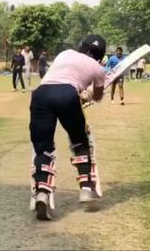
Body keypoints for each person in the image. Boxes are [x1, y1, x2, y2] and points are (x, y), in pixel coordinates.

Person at [29, 35, 106, 220]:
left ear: (81, 46)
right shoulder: (98, 69)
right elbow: (96, 97)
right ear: (101, 55)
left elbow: (62, 77)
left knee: (43, 147)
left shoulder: (65, 54)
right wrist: (86, 96)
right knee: (80, 141)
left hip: (41, 95)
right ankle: (86, 189)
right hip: (68, 95)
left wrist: (80, 93)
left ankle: (42, 194)